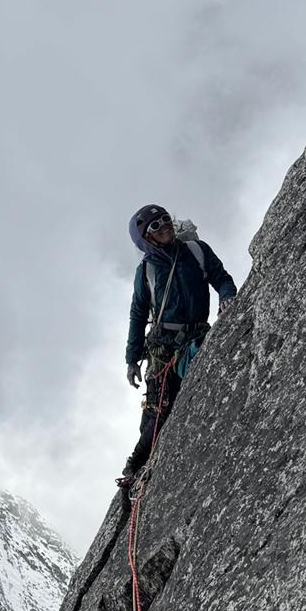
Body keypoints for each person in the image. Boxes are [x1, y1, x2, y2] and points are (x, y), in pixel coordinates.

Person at [117, 204, 238, 491]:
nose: (164, 225)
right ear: (146, 238)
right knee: (157, 412)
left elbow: (221, 278)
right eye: (155, 226)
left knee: (168, 407)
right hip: (163, 348)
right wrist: (133, 359)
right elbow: (138, 314)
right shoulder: (146, 271)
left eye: (165, 219)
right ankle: (135, 465)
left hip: (196, 337)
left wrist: (227, 296)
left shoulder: (197, 251)